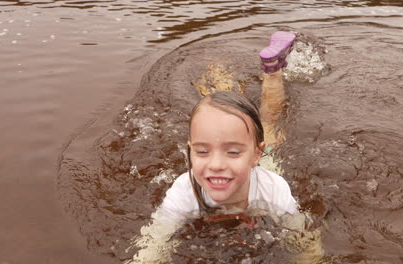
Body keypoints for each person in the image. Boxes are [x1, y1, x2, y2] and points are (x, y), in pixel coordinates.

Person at [128, 31, 303, 264]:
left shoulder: (273, 191)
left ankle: (273, 70)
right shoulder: (184, 192)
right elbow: (152, 244)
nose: (216, 165)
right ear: (190, 150)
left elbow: (304, 239)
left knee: (270, 123)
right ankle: (216, 71)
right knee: (219, 114)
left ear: (255, 155)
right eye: (202, 151)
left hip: (268, 160)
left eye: (233, 152)